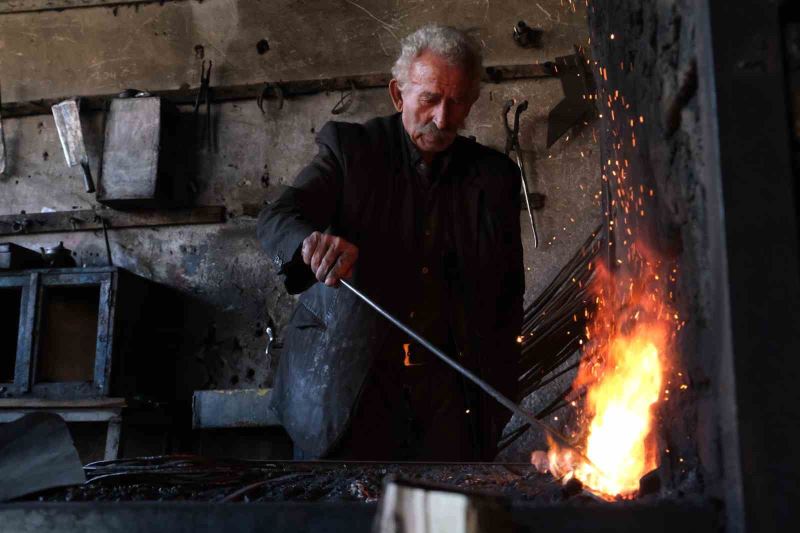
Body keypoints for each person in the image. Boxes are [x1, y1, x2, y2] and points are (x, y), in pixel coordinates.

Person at [257, 24, 524, 461]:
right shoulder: (351, 150)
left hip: (448, 401)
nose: (442, 119)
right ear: (399, 95)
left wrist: (498, 394)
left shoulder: (495, 179)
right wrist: (309, 243)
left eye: (456, 103)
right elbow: (277, 216)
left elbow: (508, 297)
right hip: (345, 386)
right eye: (430, 99)